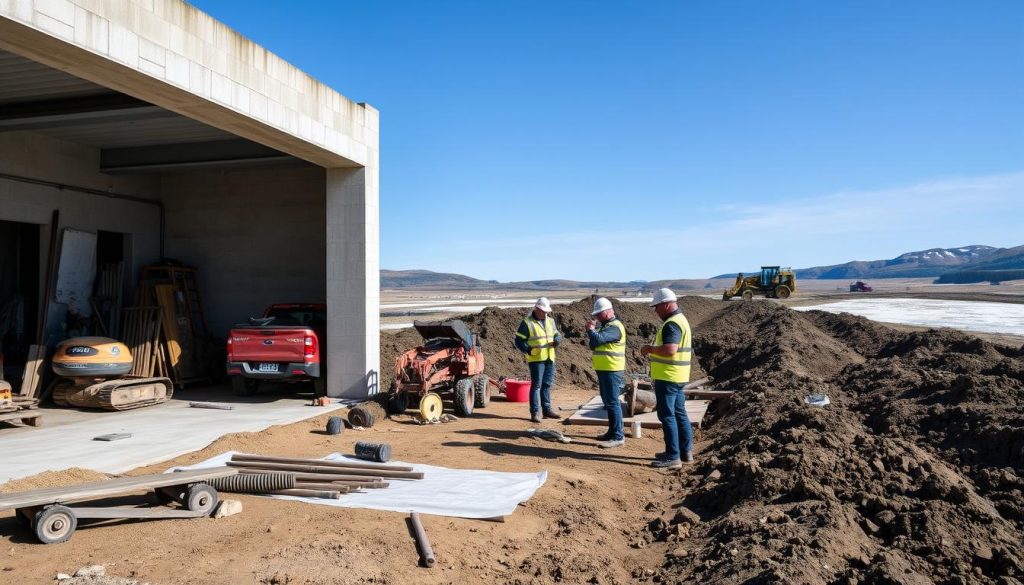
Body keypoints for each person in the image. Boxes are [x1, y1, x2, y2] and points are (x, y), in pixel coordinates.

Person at [640, 288, 694, 469]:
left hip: (668, 377)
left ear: (667, 304)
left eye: (657, 307)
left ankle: (673, 456)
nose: (655, 311)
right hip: (678, 377)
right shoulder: (681, 320)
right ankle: (685, 452)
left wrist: (649, 349)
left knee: (667, 415)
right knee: (679, 414)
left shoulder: (672, 323)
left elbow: (670, 349)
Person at [586, 297, 627, 448]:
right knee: (607, 401)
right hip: (605, 369)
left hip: (612, 369)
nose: (596, 317)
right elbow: (593, 344)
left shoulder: (615, 327)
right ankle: (612, 431)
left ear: (608, 312)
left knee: (612, 402)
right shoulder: (606, 326)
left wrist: (591, 330)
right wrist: (593, 333)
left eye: (599, 314)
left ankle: (618, 436)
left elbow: (597, 340)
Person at [514, 297, 562, 423]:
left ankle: (546, 410)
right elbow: (519, 341)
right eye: (543, 311)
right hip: (536, 359)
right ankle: (535, 412)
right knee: (537, 386)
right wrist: (528, 349)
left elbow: (557, 334)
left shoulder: (550, 321)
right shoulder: (527, 323)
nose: (546, 313)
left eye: (547, 311)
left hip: (550, 357)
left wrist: (557, 340)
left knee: (546, 385)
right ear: (537, 309)